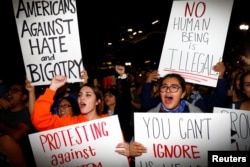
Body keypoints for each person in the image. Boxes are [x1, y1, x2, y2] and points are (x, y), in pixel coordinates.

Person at [31, 75, 131, 159]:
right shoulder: (70, 123)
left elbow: (121, 160)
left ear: (98, 101)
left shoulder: (109, 124)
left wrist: (128, 154)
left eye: (88, 95)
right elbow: (40, 120)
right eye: (80, 95)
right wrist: (52, 88)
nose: (82, 98)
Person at [128, 73, 203, 165]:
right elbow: (139, 154)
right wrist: (133, 152)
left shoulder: (198, 114)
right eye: (164, 87)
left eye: (174, 87)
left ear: (183, 94)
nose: (168, 91)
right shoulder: (148, 118)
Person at [0, 79, 36, 167]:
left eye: (15, 91)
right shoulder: (3, 110)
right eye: (9, 90)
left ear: (24, 97)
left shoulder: (26, 114)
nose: (9, 93)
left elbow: (16, 135)